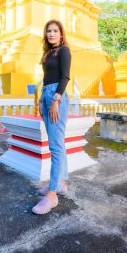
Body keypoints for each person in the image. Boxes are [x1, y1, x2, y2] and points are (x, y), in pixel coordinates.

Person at [32, 20, 71, 215]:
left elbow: (64, 77)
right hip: (46, 96)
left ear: (61, 34)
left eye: (55, 31)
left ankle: (53, 194)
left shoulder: (64, 50)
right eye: (49, 31)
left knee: (55, 146)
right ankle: (61, 183)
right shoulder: (48, 54)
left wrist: (55, 99)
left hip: (57, 97)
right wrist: (41, 100)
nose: (52, 34)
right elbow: (46, 79)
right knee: (56, 143)